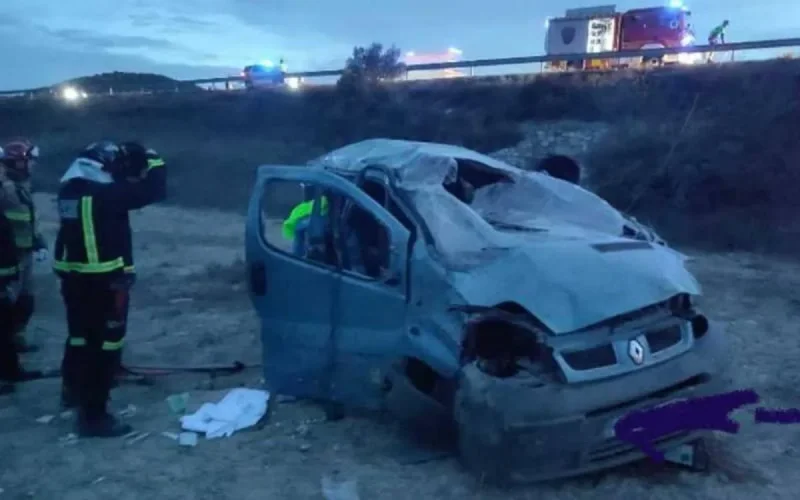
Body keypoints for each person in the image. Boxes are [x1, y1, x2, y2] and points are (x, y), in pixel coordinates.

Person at [54, 140, 166, 437]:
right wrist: (153, 159)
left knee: (79, 338)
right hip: (105, 282)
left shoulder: (69, 190)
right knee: (104, 346)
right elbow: (154, 189)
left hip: (74, 279)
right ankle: (94, 416)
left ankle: (72, 390)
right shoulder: (106, 194)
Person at [0, 139, 48, 354]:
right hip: (8, 255)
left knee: (25, 298)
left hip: (24, 251)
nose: (32, 165)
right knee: (7, 303)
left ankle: (16, 339)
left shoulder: (21, 185)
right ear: (18, 162)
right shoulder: (4, 187)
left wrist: (38, 241)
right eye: (29, 161)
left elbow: (28, 218)